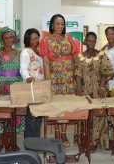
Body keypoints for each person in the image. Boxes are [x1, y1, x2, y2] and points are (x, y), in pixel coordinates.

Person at [39, 14, 78, 148]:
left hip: (68, 77)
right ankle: (56, 133)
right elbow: (45, 61)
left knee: (66, 105)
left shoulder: (68, 38)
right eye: (57, 23)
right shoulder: (45, 40)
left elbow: (75, 57)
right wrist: (48, 79)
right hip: (54, 77)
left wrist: (78, 75)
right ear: (52, 25)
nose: (60, 26)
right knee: (56, 106)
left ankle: (63, 134)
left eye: (62, 24)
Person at [74, 32, 114, 152]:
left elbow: (105, 72)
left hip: (98, 89)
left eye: (93, 41)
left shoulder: (101, 55)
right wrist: (79, 86)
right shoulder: (80, 56)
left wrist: (101, 88)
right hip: (85, 90)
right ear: (85, 42)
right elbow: (77, 72)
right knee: (83, 115)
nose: (91, 43)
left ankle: (94, 143)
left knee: (98, 116)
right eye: (89, 41)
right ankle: (83, 140)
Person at [0, 27, 25, 153]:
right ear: (1, 39)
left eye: (11, 37)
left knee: (13, 116)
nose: (9, 40)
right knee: (0, 116)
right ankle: (1, 143)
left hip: (16, 89)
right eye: (6, 38)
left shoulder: (20, 53)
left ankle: (12, 143)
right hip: (0, 87)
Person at [20, 28, 43, 138]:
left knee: (39, 114)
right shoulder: (26, 52)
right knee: (29, 115)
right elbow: (23, 68)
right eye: (31, 39)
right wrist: (28, 78)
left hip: (40, 86)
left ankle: (37, 140)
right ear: (27, 40)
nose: (34, 41)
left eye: (36, 38)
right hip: (30, 86)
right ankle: (29, 141)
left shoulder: (41, 51)